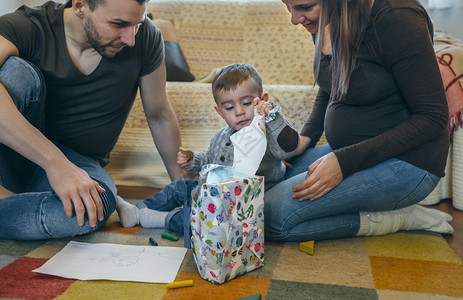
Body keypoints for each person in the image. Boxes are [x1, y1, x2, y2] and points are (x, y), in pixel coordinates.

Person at [264, 0, 454, 242]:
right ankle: (374, 203)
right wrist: (306, 139)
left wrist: (344, 162)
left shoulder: (398, 18)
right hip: (352, 151)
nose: (294, 19)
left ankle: (397, 218)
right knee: (267, 180)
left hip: (408, 162)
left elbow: (433, 117)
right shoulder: (327, 19)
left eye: (304, 6)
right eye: (287, 6)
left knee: (271, 217)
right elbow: (330, 84)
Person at [0, 0, 185, 240]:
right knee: (17, 73)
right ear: (79, 5)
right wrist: (55, 163)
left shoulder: (146, 38)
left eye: (137, 24)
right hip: (14, 155)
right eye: (119, 24)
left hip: (78, 161)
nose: (130, 39)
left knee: (95, 206)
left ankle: (8, 203)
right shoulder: (26, 26)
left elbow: (160, 115)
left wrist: (186, 189)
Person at [116, 63, 300, 244]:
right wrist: (193, 160)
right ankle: (136, 210)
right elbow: (209, 159)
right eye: (229, 108)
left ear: (262, 99)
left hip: (243, 205)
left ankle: (160, 219)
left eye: (246, 103)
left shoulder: (265, 133)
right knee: (179, 187)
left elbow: (289, 148)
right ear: (219, 112)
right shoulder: (221, 136)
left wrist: (273, 117)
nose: (239, 111)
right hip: (211, 193)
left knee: (199, 221)